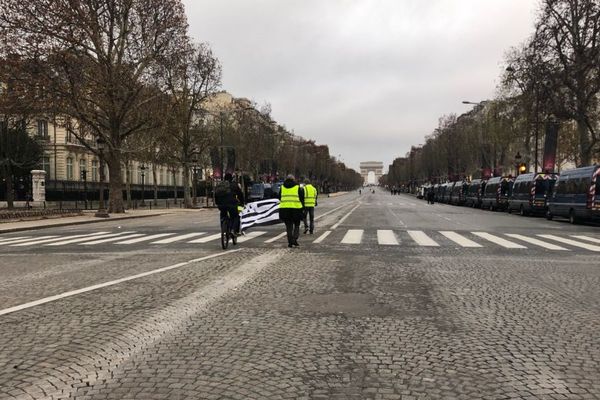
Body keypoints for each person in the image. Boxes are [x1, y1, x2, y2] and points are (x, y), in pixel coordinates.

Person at [279, 174, 304, 248]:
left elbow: (279, 197)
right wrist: (303, 208)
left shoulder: (282, 187)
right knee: (297, 225)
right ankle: (295, 239)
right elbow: (301, 198)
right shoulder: (297, 187)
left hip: (285, 209)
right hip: (296, 209)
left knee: (289, 226)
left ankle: (290, 241)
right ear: (293, 179)